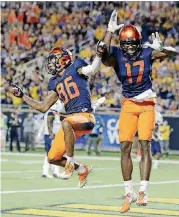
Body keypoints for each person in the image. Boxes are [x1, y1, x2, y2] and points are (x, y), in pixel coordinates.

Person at [99, 10, 179, 213]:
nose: (129, 48)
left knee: (145, 144)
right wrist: (109, 31)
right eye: (125, 44)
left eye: (132, 44)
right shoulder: (115, 53)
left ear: (138, 43)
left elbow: (174, 53)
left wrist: (163, 48)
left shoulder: (146, 51)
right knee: (125, 147)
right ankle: (129, 192)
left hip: (147, 104)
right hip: (128, 104)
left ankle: (143, 190)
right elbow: (102, 54)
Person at [11, 45, 103, 187]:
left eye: (54, 59)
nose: (51, 63)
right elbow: (42, 107)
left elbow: (92, 70)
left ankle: (70, 164)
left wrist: (99, 55)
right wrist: (23, 95)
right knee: (52, 158)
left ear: (64, 59)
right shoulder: (54, 81)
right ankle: (82, 169)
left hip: (85, 116)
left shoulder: (76, 66)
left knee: (66, 122)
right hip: (72, 122)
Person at [42, 100, 65, 178]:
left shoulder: (50, 113)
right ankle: (55, 172)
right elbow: (49, 124)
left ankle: (45, 172)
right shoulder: (52, 113)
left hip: (49, 135)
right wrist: (51, 135)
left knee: (49, 154)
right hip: (51, 136)